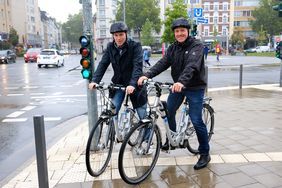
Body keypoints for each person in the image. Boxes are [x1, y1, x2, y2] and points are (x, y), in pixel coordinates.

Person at [137, 17, 210, 170]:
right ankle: (173, 139)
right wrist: (148, 74)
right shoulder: (173, 48)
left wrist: (181, 81)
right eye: (177, 31)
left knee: (196, 119)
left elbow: (192, 66)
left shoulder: (197, 46)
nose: (179, 33)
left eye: (182, 30)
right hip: (178, 86)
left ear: (188, 31)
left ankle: (205, 153)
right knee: (168, 110)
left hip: (195, 87)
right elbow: (163, 63)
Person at [88, 21, 147, 138]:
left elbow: (137, 66)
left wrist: (132, 84)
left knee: (143, 114)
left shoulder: (135, 46)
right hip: (119, 84)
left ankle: (146, 141)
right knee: (112, 109)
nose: (118, 38)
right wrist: (95, 80)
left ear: (126, 34)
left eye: (121, 35)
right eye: (116, 35)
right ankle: (111, 137)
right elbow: (103, 64)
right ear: (113, 36)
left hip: (135, 83)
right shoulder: (110, 47)